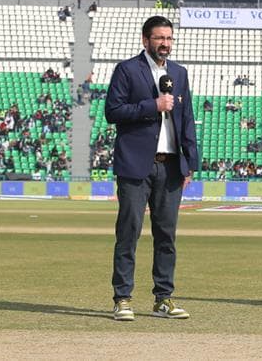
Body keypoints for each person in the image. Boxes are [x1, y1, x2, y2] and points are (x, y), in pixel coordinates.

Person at [105, 16, 198, 321]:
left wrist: (190, 164)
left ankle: (163, 298)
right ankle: (123, 298)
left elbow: (186, 119)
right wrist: (152, 106)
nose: (165, 44)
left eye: (169, 38)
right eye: (159, 38)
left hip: (171, 166)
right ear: (145, 40)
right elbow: (113, 112)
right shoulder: (127, 70)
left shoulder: (180, 74)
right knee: (128, 232)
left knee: (166, 235)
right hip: (135, 165)